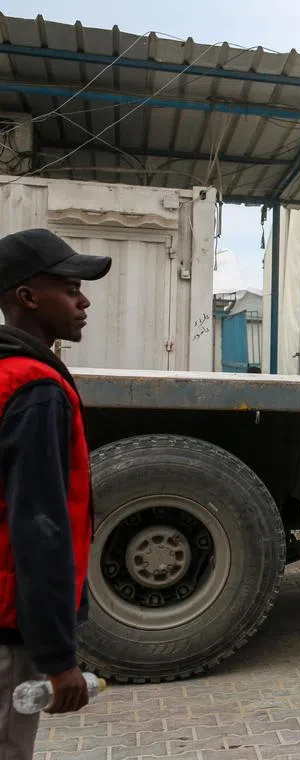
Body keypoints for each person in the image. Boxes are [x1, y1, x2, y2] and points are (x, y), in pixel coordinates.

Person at [0, 228, 112, 759]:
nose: (83, 301)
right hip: (10, 630)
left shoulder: (8, 374)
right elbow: (38, 525)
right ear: (27, 297)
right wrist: (56, 656)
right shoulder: (35, 389)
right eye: (70, 289)